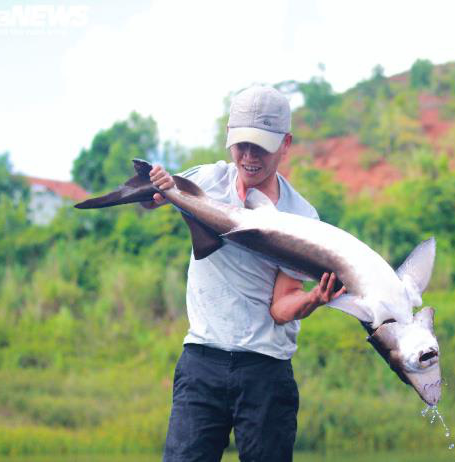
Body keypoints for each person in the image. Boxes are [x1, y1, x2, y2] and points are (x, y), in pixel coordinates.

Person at [146, 86, 345, 462]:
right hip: (201, 361)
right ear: (228, 139)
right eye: (242, 145)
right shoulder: (206, 181)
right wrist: (153, 190)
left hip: (265, 371)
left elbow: (280, 307)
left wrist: (313, 299)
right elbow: (151, 198)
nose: (249, 157)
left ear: (285, 144)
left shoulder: (301, 218)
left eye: (262, 147)